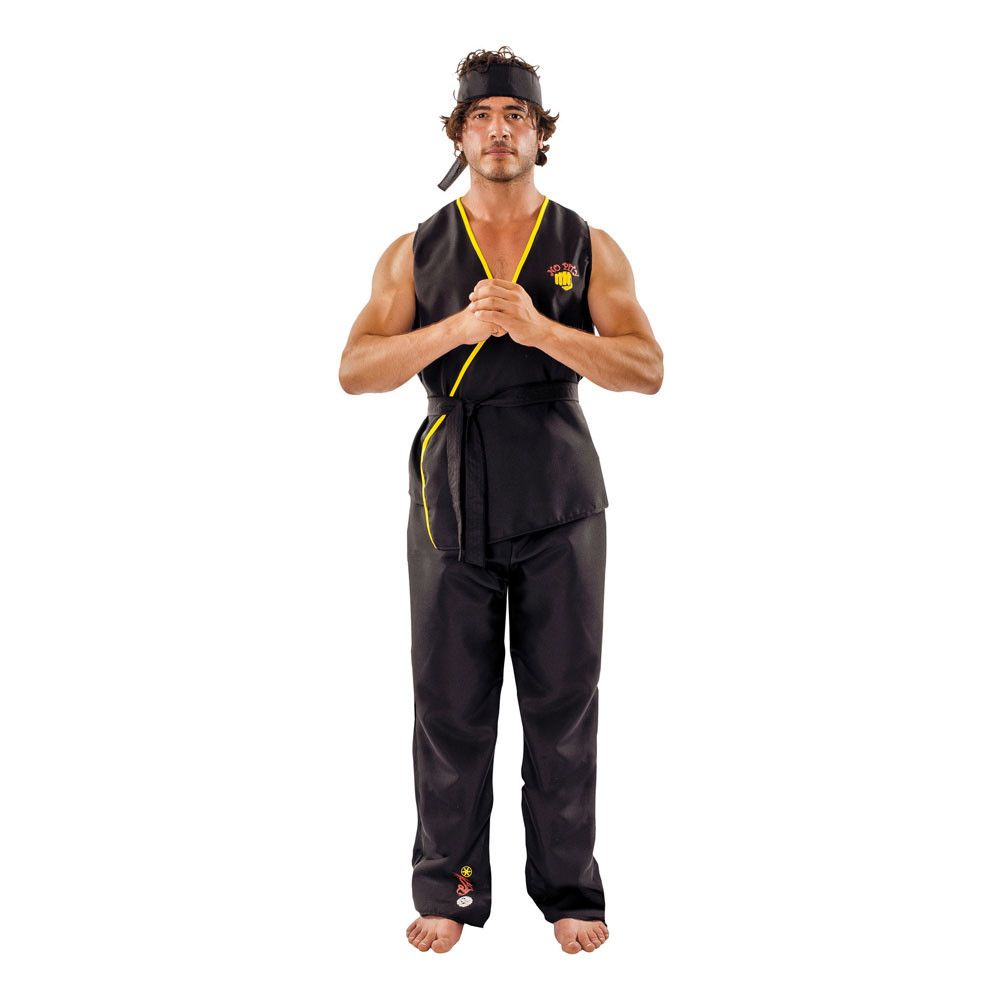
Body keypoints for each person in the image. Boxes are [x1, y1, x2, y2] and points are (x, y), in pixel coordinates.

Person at [340, 46, 662, 955]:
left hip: (561, 495)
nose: (498, 131)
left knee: (564, 705)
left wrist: (538, 328)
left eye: (515, 116)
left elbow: (646, 367)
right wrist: (459, 326)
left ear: (540, 134)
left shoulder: (587, 245)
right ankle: (449, 889)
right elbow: (355, 368)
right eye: (480, 117)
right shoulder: (415, 250)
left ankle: (569, 891)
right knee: (449, 706)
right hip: (450, 497)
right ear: (458, 136)